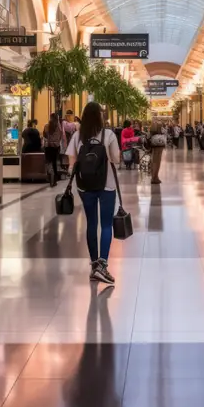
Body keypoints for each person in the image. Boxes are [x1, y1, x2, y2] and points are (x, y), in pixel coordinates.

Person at [67, 102, 120, 285]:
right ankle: (102, 266)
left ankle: (94, 265)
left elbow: (71, 163)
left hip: (85, 186)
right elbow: (116, 159)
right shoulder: (109, 135)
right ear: (100, 116)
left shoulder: (77, 136)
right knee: (106, 225)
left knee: (91, 223)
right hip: (107, 185)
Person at [43, 113, 62, 184]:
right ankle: (55, 178)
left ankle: (50, 174)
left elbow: (44, 135)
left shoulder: (46, 126)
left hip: (48, 146)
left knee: (48, 162)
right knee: (55, 162)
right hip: (56, 146)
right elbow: (60, 137)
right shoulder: (59, 128)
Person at [149, 120, 165, 185]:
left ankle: (154, 176)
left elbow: (149, 134)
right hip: (159, 144)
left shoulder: (152, 126)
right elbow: (164, 132)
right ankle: (155, 177)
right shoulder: (160, 126)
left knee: (153, 160)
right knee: (157, 161)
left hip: (154, 144)